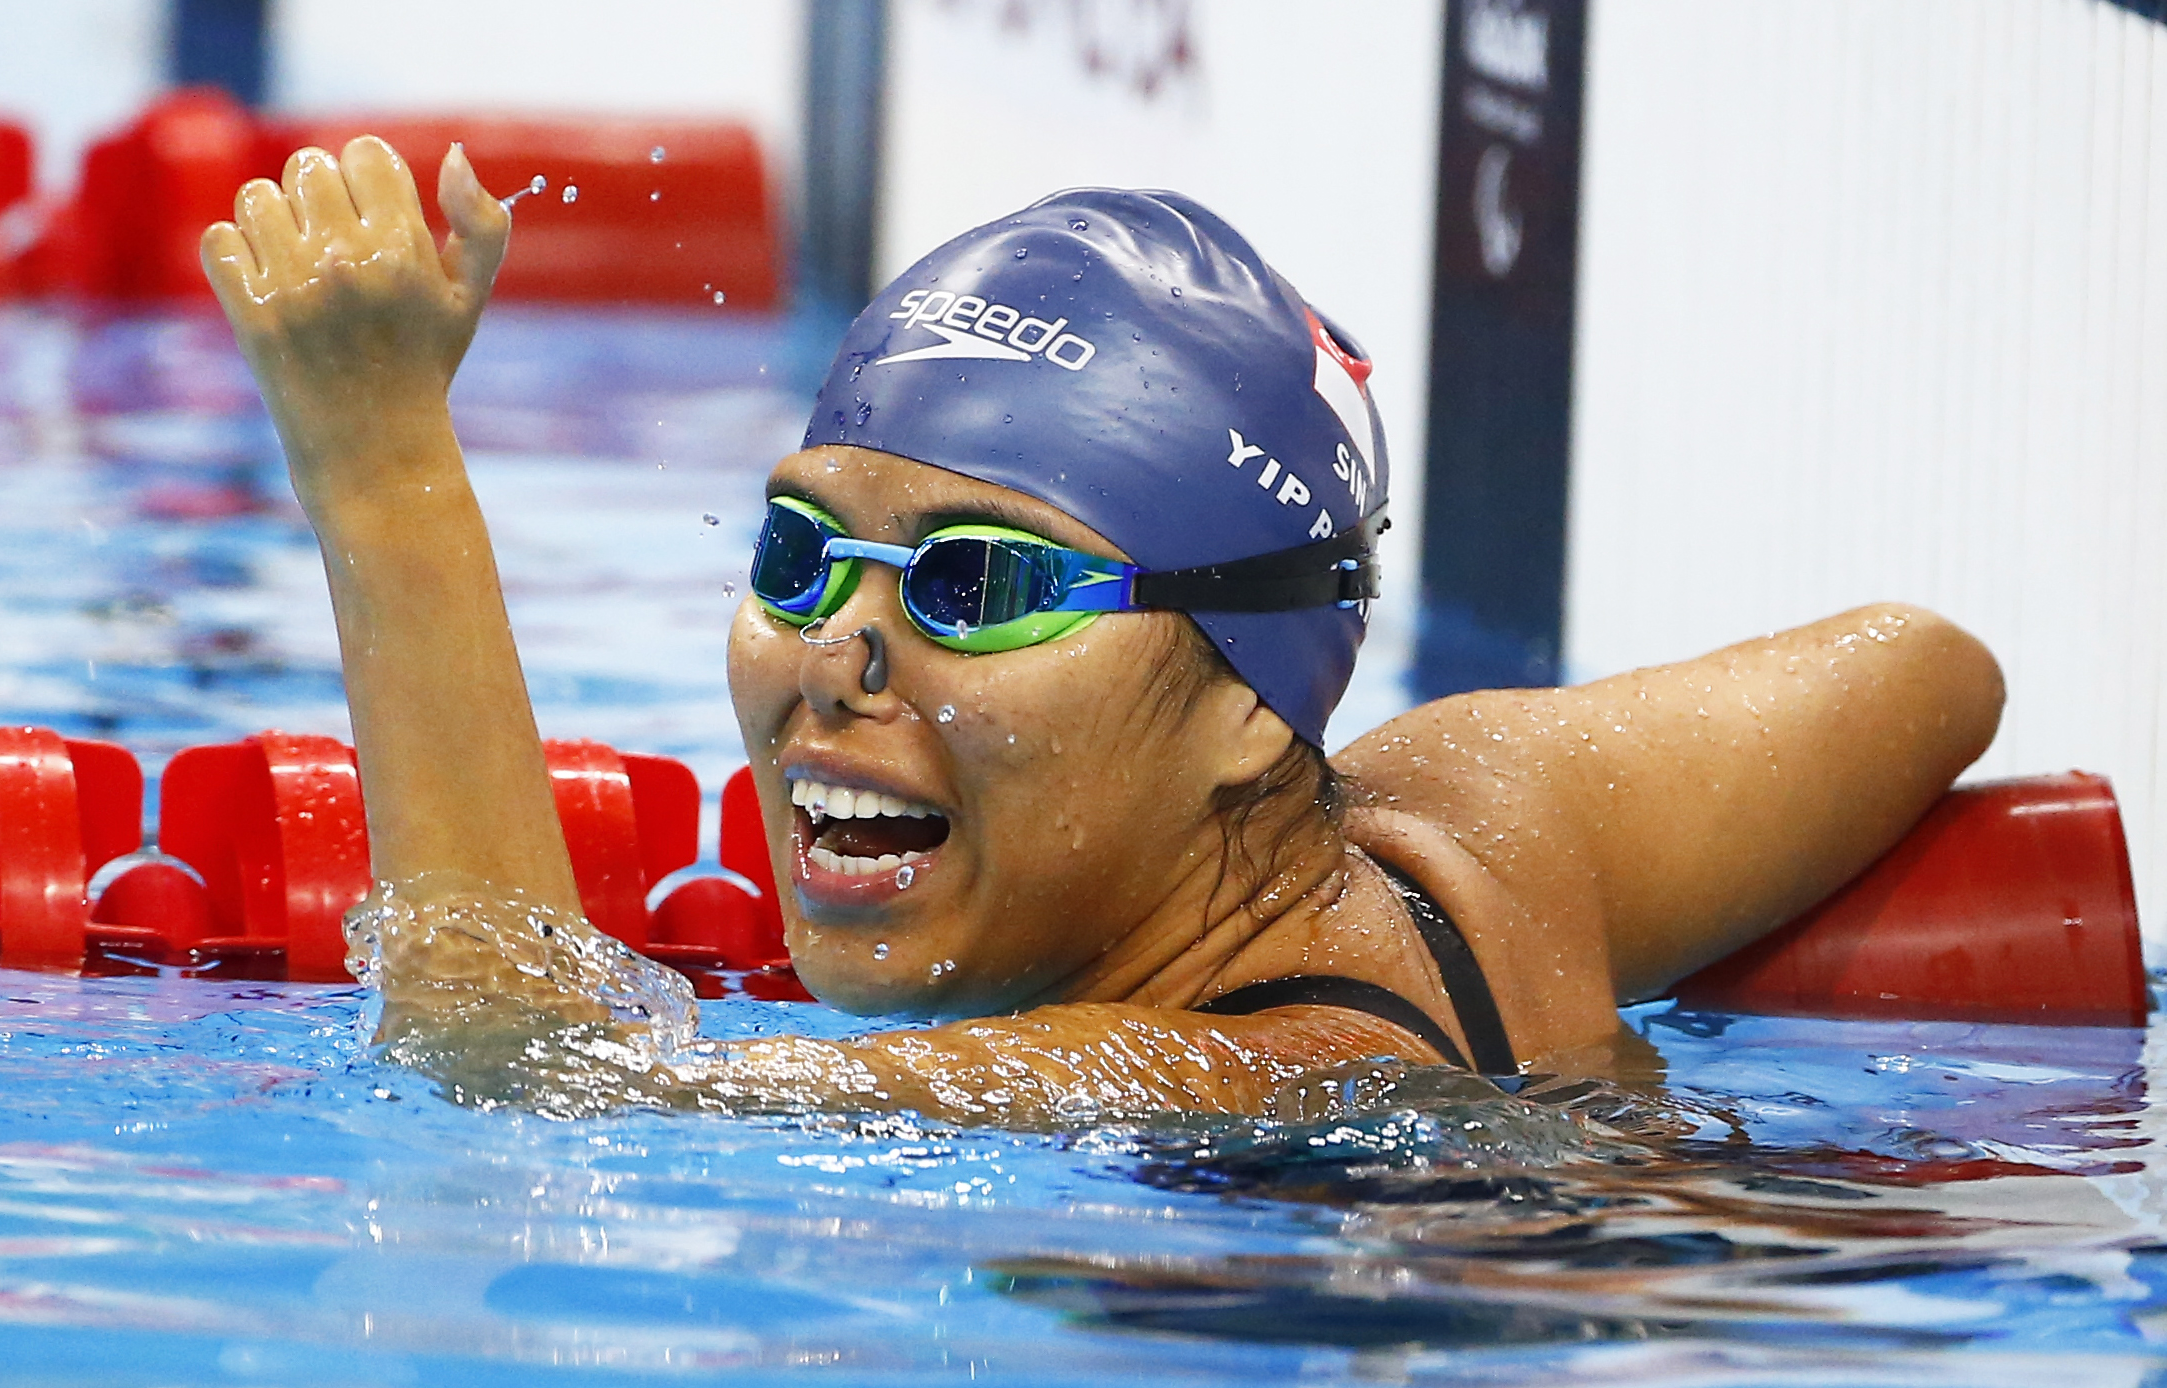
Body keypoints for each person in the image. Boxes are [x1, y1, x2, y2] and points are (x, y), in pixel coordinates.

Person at [200, 139, 2005, 1125]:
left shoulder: (1194, 1068)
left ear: (1245, 701)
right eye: (803, 549)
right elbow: (1932, 670)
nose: (838, 651)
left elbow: (532, 1086)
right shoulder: (1476, 823)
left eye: (982, 579)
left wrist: (383, 479)